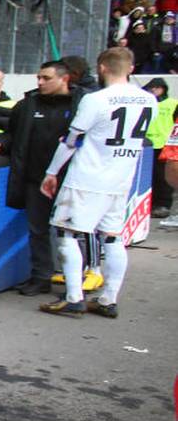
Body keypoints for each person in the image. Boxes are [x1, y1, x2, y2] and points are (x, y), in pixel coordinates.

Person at [39, 48, 158, 318]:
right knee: (113, 238)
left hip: (87, 179)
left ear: (102, 67)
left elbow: (72, 140)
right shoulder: (148, 99)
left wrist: (51, 172)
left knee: (66, 233)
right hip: (120, 180)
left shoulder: (95, 100)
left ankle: (73, 297)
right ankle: (108, 299)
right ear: (131, 67)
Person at [0, 61, 84, 296]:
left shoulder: (82, 105)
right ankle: (41, 277)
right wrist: (3, 144)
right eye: (38, 77)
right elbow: (14, 133)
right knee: (37, 230)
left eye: (46, 78)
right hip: (35, 178)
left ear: (64, 78)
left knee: (73, 231)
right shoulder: (28, 105)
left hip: (71, 179)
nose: (40, 82)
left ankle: (76, 280)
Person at [142, 78, 175, 218]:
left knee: (163, 178)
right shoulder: (147, 103)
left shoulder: (173, 103)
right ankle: (150, 204)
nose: (153, 91)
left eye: (155, 88)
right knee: (148, 177)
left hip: (164, 144)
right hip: (147, 144)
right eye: (151, 89)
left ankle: (163, 204)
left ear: (163, 89)